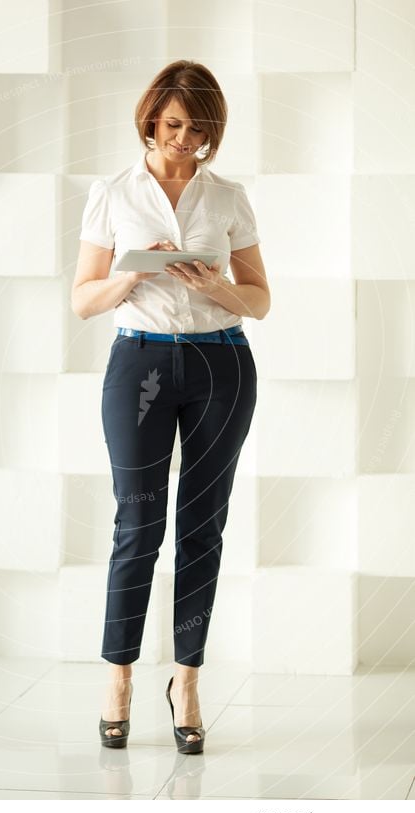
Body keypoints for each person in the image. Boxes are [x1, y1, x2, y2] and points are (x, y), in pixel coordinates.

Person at [72, 59, 270, 753]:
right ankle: (118, 675)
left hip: (221, 364)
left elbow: (260, 300)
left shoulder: (227, 197)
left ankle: (185, 679)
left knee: (201, 529)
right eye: (174, 124)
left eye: (198, 128)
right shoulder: (112, 192)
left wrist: (213, 283)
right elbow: (81, 299)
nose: (184, 139)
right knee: (137, 524)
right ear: (151, 118)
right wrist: (134, 271)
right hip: (140, 364)